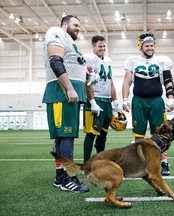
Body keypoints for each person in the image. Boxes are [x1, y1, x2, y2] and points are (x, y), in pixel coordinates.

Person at [42, 15, 89, 193]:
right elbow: (55, 61)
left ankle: (61, 177)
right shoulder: (56, 32)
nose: (78, 28)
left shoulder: (70, 41)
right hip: (62, 93)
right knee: (66, 136)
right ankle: (69, 178)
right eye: (75, 24)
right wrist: (69, 88)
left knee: (63, 137)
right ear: (65, 24)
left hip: (68, 94)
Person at [122, 31, 174, 176]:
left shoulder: (162, 61)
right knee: (138, 135)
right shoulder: (132, 60)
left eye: (152, 45)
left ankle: (163, 162)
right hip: (138, 101)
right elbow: (127, 81)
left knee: (161, 134)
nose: (150, 48)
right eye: (147, 46)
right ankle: (140, 162)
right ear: (140, 46)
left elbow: (168, 80)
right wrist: (125, 99)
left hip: (157, 101)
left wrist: (170, 98)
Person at [82, 35, 118, 163]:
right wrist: (92, 102)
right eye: (99, 46)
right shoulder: (88, 59)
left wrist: (115, 101)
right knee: (91, 134)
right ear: (93, 46)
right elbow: (87, 81)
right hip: (95, 99)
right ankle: (86, 163)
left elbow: (111, 82)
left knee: (103, 134)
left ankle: (100, 161)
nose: (102, 48)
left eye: (104, 46)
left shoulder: (108, 60)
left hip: (107, 100)